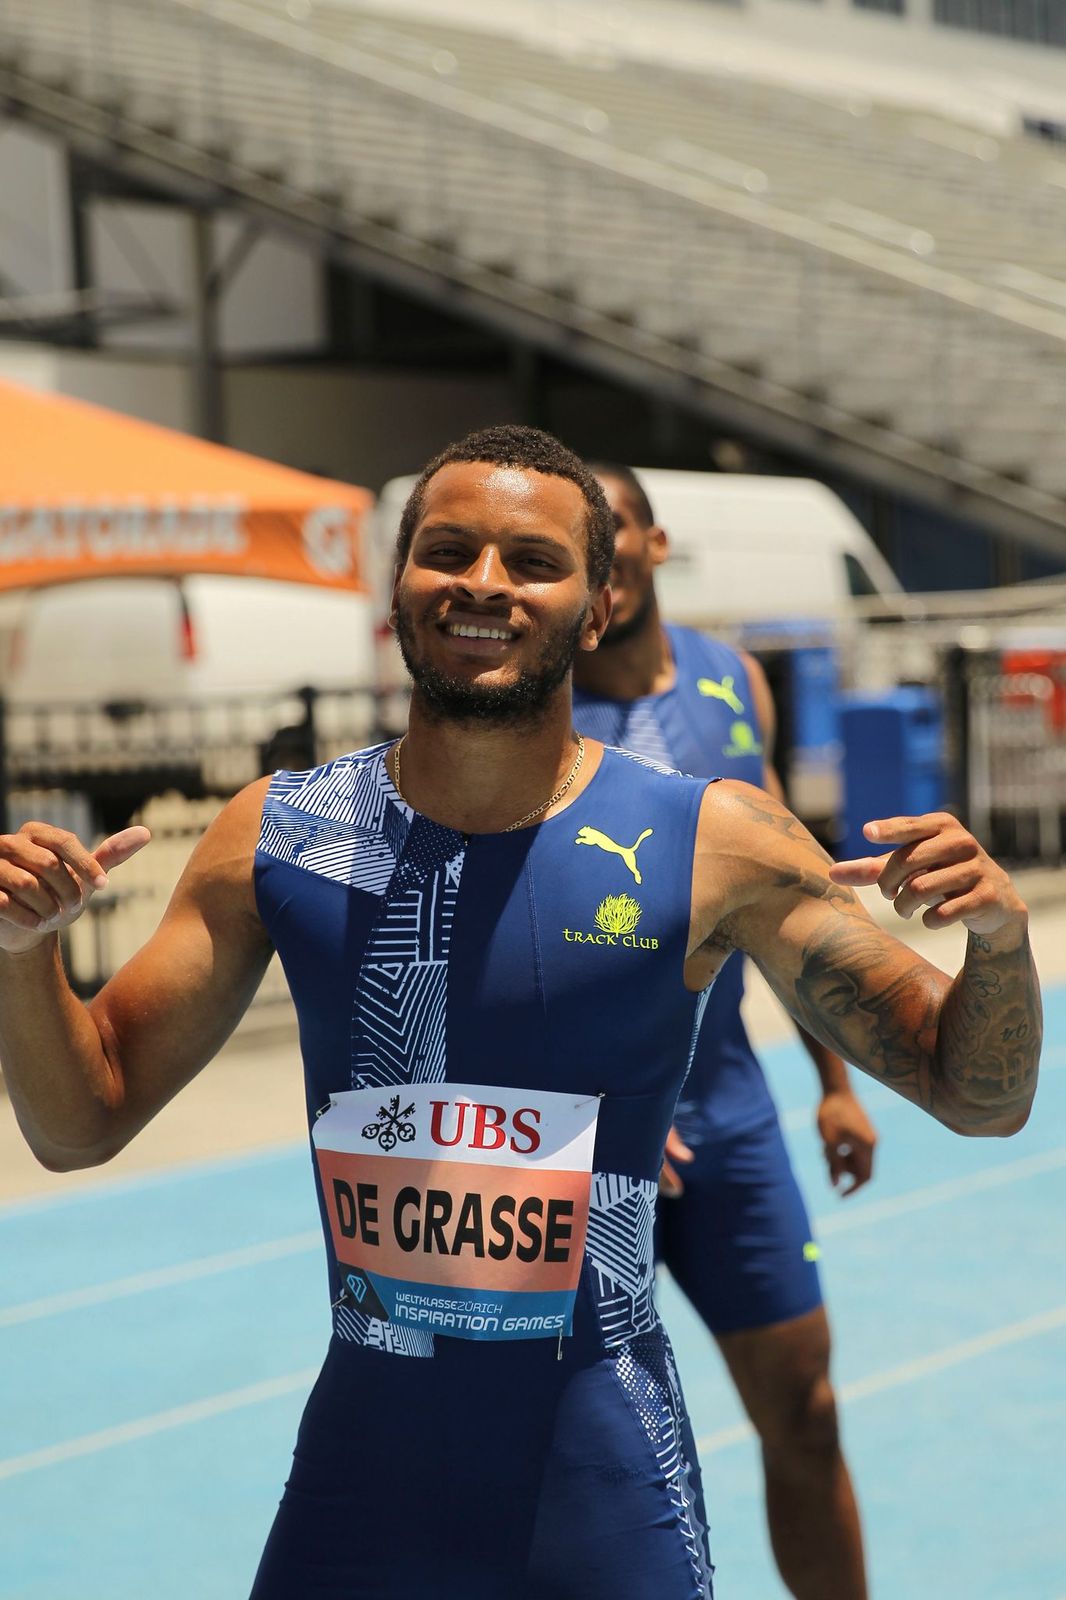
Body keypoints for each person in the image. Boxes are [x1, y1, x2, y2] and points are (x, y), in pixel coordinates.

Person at [0, 426, 1039, 1600]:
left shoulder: (712, 842)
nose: (483, 582)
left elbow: (975, 1091)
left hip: (597, 1467)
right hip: (366, 1468)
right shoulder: (282, 834)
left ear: (598, 605)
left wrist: (998, 942)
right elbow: (80, 1119)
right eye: (447, 551)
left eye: (530, 561)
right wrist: (21, 956)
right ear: (395, 589)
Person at [572, 463, 874, 1599]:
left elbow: (784, 903)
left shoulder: (733, 677)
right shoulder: (533, 710)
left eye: (613, 536)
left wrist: (832, 1083)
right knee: (591, 1455)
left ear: (655, 542)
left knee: (805, 1406)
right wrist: (607, 1119)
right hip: (593, 1145)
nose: (596, 564)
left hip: (729, 1115)